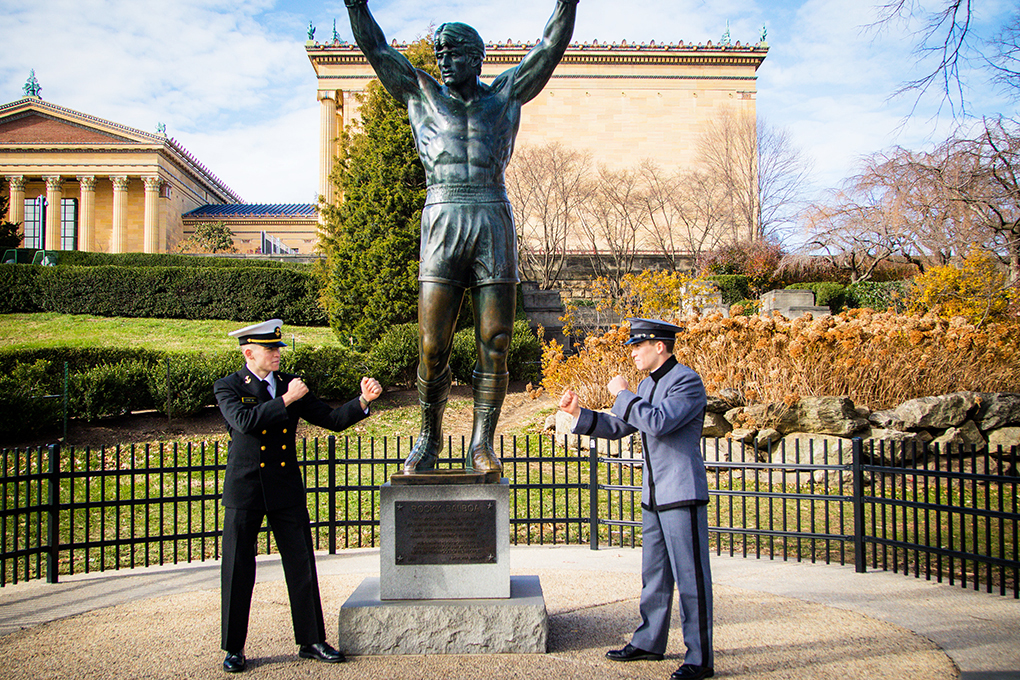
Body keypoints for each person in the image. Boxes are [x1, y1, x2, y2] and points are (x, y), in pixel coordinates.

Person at [346, 0, 578, 476]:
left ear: (476, 57)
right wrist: (356, 4)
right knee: (433, 346)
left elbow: (550, 46)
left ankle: (481, 446)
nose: (442, 59)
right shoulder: (421, 93)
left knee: (495, 340)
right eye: (438, 52)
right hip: (443, 217)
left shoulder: (506, 96)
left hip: (493, 215)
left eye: (451, 51)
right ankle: (429, 440)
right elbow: (376, 46)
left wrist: (567, 2)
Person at [214, 319, 383, 673]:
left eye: (278, 348)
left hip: (284, 486)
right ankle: (233, 648)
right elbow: (244, 422)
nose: (277, 354)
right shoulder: (229, 386)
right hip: (245, 488)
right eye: (270, 349)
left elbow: (332, 419)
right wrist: (287, 400)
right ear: (249, 352)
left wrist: (363, 401)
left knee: (302, 565)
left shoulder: (290, 383)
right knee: (237, 568)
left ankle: (311, 640)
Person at [558, 318, 714, 680]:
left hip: (681, 492)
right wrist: (579, 414)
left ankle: (700, 658)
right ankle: (649, 642)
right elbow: (621, 426)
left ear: (660, 346)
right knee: (654, 575)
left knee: (692, 579)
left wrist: (623, 394)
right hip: (655, 494)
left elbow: (659, 422)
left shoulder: (687, 382)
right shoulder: (646, 384)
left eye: (638, 346)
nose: (633, 352)